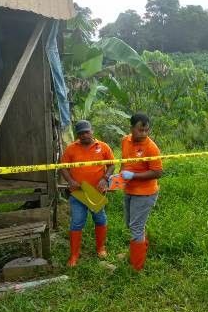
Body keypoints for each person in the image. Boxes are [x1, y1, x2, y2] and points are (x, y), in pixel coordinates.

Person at [60, 120, 115, 267]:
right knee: (77, 222)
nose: (84, 135)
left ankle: (100, 248)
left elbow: (111, 164)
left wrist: (105, 178)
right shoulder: (71, 149)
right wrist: (70, 181)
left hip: (95, 191)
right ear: (78, 135)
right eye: (81, 133)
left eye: (87, 132)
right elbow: (63, 167)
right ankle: (74, 255)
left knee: (100, 219)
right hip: (78, 192)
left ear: (92, 131)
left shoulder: (103, 147)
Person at [120, 113, 163, 271]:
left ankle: (137, 267)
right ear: (131, 128)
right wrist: (119, 177)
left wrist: (134, 176)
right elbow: (124, 163)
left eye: (146, 130)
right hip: (129, 190)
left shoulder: (151, 147)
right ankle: (138, 251)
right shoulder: (125, 141)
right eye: (140, 130)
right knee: (131, 224)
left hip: (145, 193)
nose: (144, 133)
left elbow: (158, 172)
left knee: (136, 227)